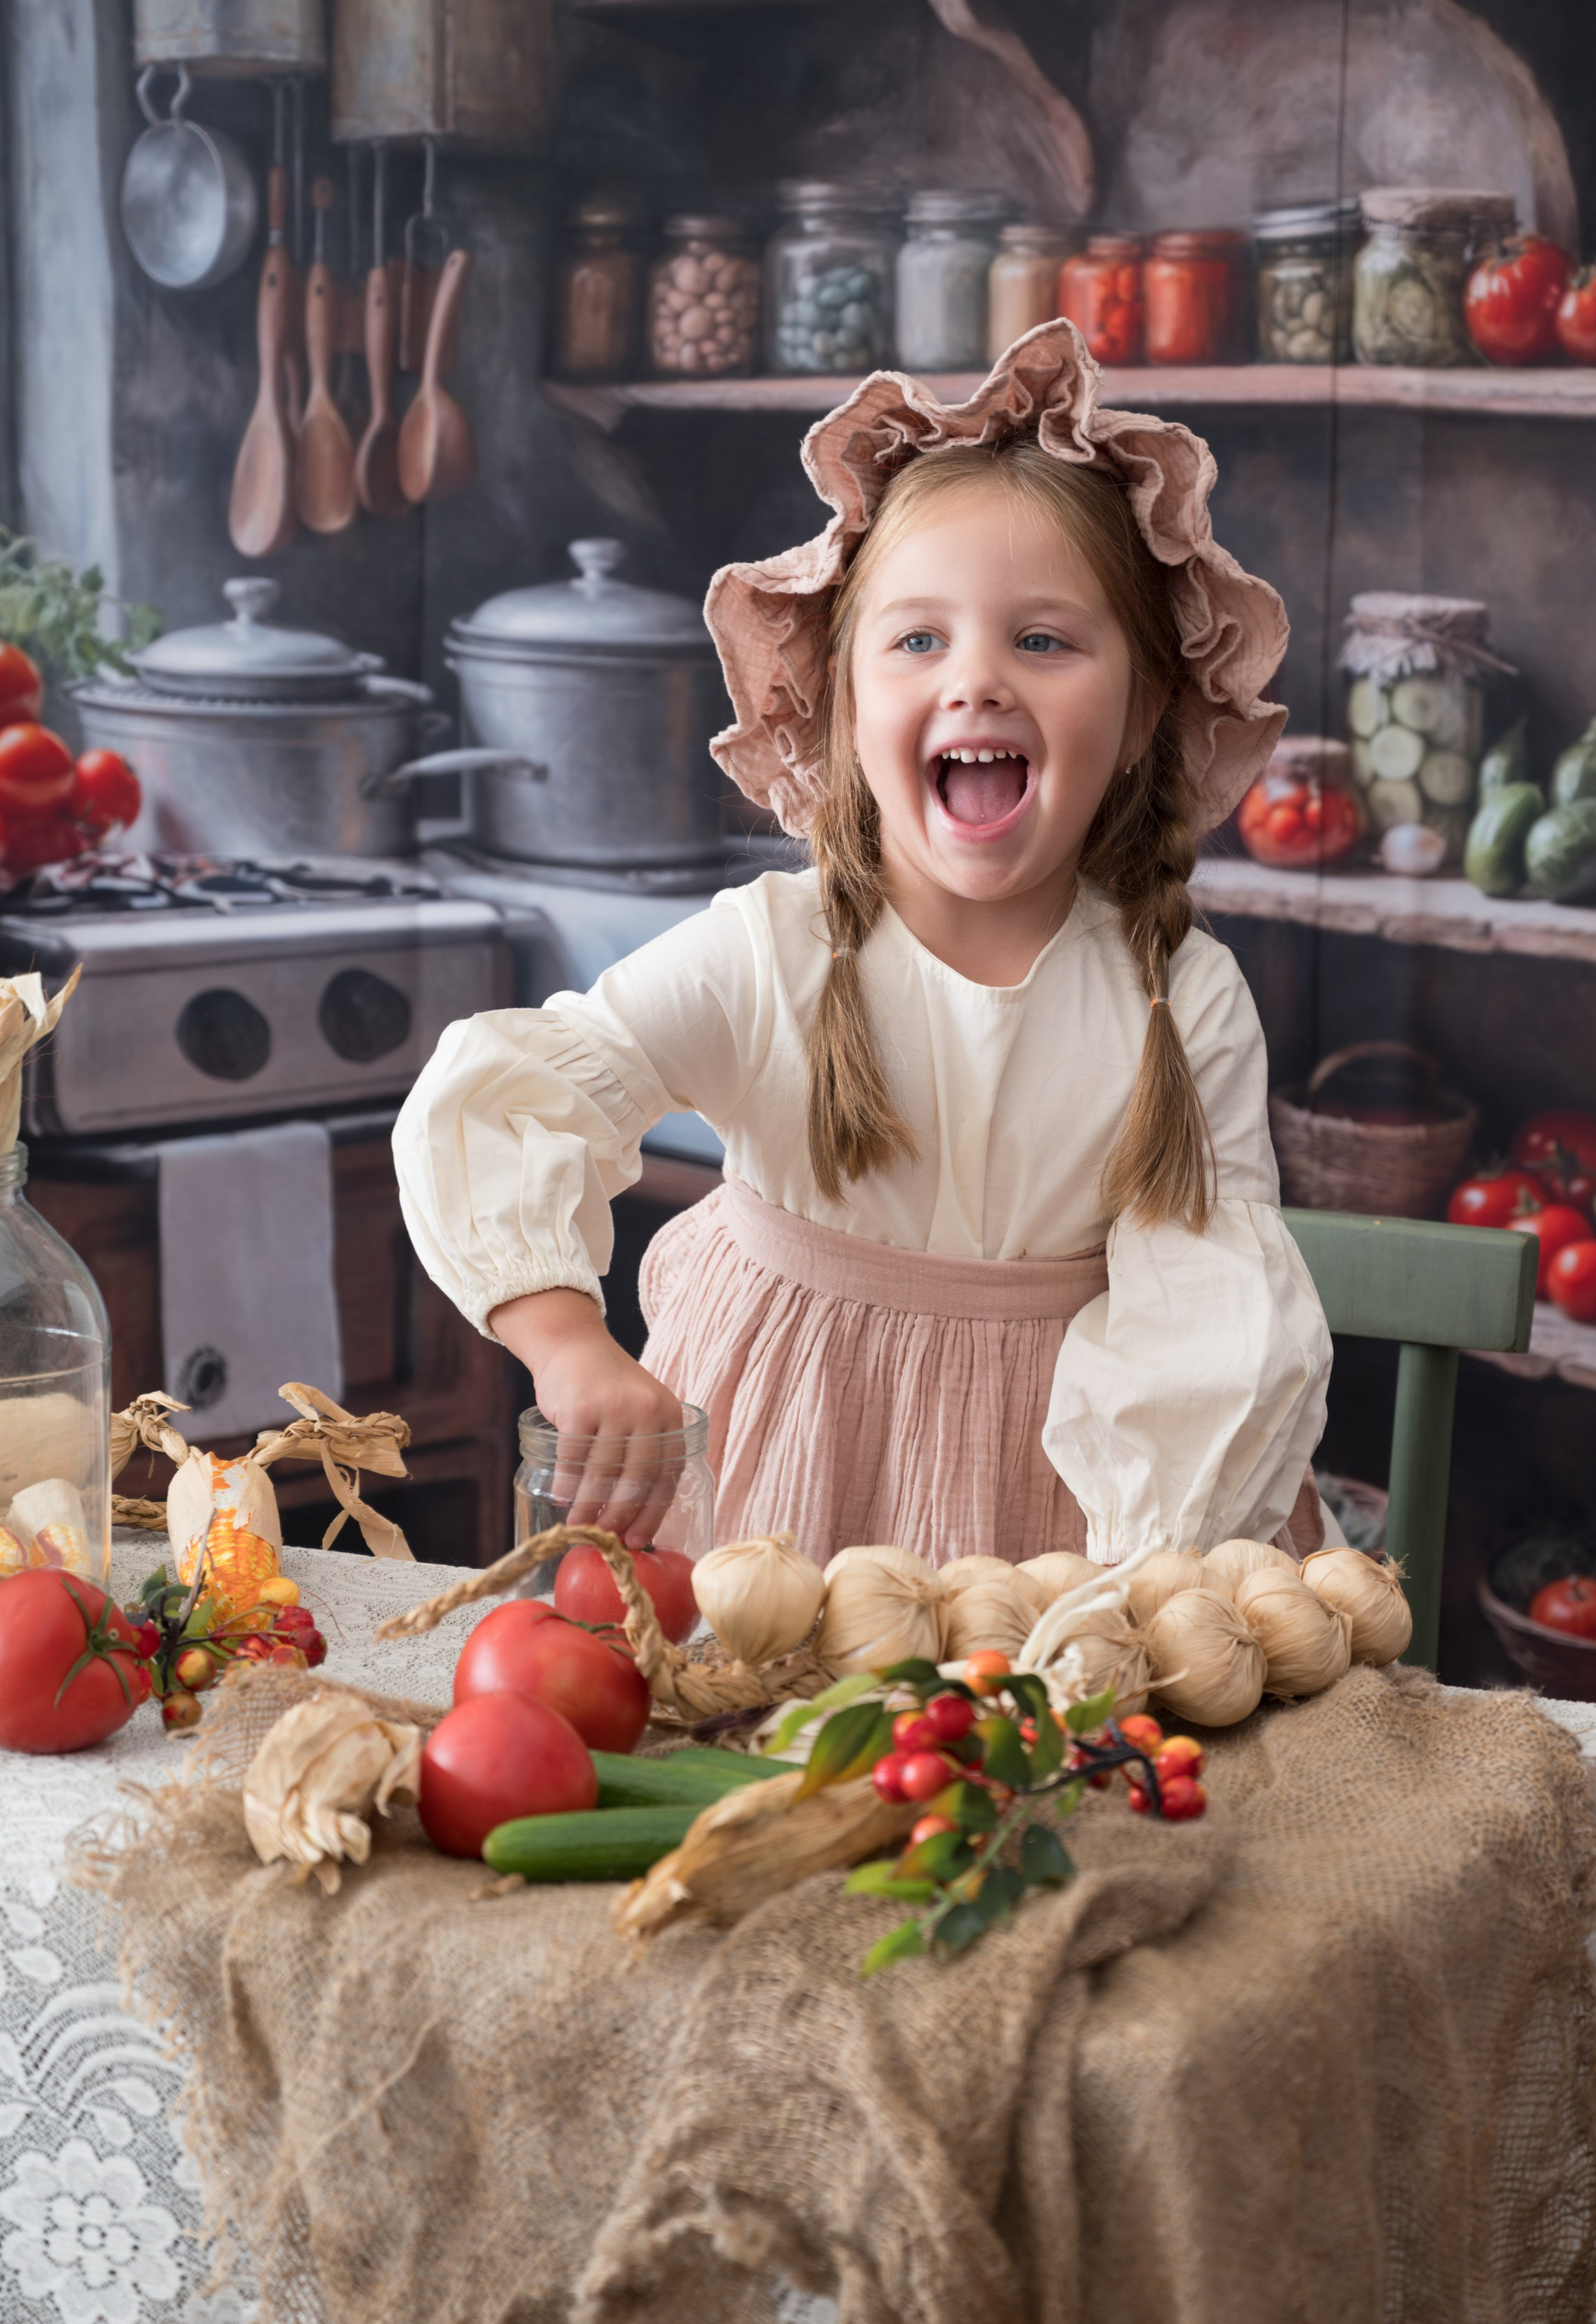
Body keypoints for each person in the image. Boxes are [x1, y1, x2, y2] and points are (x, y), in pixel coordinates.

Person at [393, 320, 1331, 1566]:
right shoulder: (766, 956)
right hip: (763, 1494)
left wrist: (1144, 1584)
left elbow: (1208, 1322)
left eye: (1043, 641)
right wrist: (570, 1343)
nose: (979, 681)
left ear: (1147, 706)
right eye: (918, 639)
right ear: (842, 699)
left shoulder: (1181, 996)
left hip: (1053, 1528)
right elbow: (513, 1096)